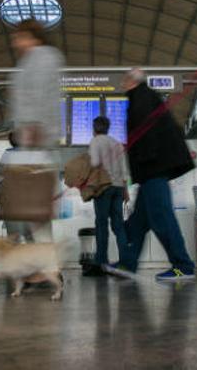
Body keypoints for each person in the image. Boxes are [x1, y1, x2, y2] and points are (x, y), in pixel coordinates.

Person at [107, 68, 196, 282]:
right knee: (138, 222)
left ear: (131, 81)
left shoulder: (142, 96)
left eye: (124, 81)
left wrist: (145, 162)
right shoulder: (144, 96)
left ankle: (183, 266)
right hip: (150, 169)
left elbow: (145, 130)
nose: (122, 85)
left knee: (162, 218)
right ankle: (128, 265)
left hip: (153, 168)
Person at [6, 19, 65, 242]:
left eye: (18, 37)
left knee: (34, 209)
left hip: (36, 144)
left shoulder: (42, 58)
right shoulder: (33, 60)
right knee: (34, 211)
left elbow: (40, 96)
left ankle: (45, 266)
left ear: (32, 36)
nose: (15, 43)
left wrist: (33, 129)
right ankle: (43, 265)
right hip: (32, 144)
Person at [86, 116, 130, 276]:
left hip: (103, 188)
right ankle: (125, 262)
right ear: (108, 128)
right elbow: (124, 170)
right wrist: (126, 190)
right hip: (118, 188)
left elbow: (94, 163)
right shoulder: (117, 144)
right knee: (119, 226)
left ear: (94, 128)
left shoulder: (96, 141)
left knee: (101, 225)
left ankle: (101, 263)